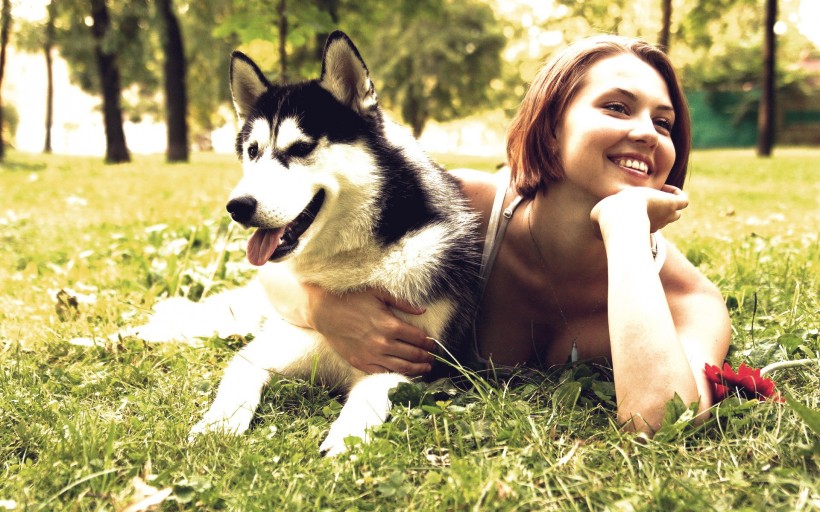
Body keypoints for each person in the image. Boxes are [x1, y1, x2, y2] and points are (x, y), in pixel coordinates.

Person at [269, 35, 732, 434]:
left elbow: (661, 422)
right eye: (617, 107)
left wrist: (625, 226)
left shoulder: (688, 298)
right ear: (551, 129)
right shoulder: (464, 204)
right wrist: (320, 306)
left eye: (664, 122)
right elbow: (274, 277)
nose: (647, 133)